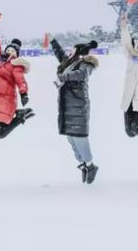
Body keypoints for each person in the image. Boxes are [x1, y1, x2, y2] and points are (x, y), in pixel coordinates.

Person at [50, 36, 100, 184]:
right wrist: (53, 41)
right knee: (71, 137)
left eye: (74, 49)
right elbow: (60, 55)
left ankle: (91, 166)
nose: (70, 52)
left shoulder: (86, 64)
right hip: (68, 105)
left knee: (79, 136)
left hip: (78, 106)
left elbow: (81, 74)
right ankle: (84, 164)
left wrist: (63, 78)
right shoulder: (70, 63)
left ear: (79, 52)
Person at [0, 26, 34, 139]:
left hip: (4, 99)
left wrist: (24, 93)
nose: (9, 51)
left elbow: (20, 79)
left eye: (12, 51)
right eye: (8, 50)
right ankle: (19, 115)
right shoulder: (2, 62)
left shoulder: (15, 65)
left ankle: (20, 116)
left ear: (16, 54)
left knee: (0, 133)